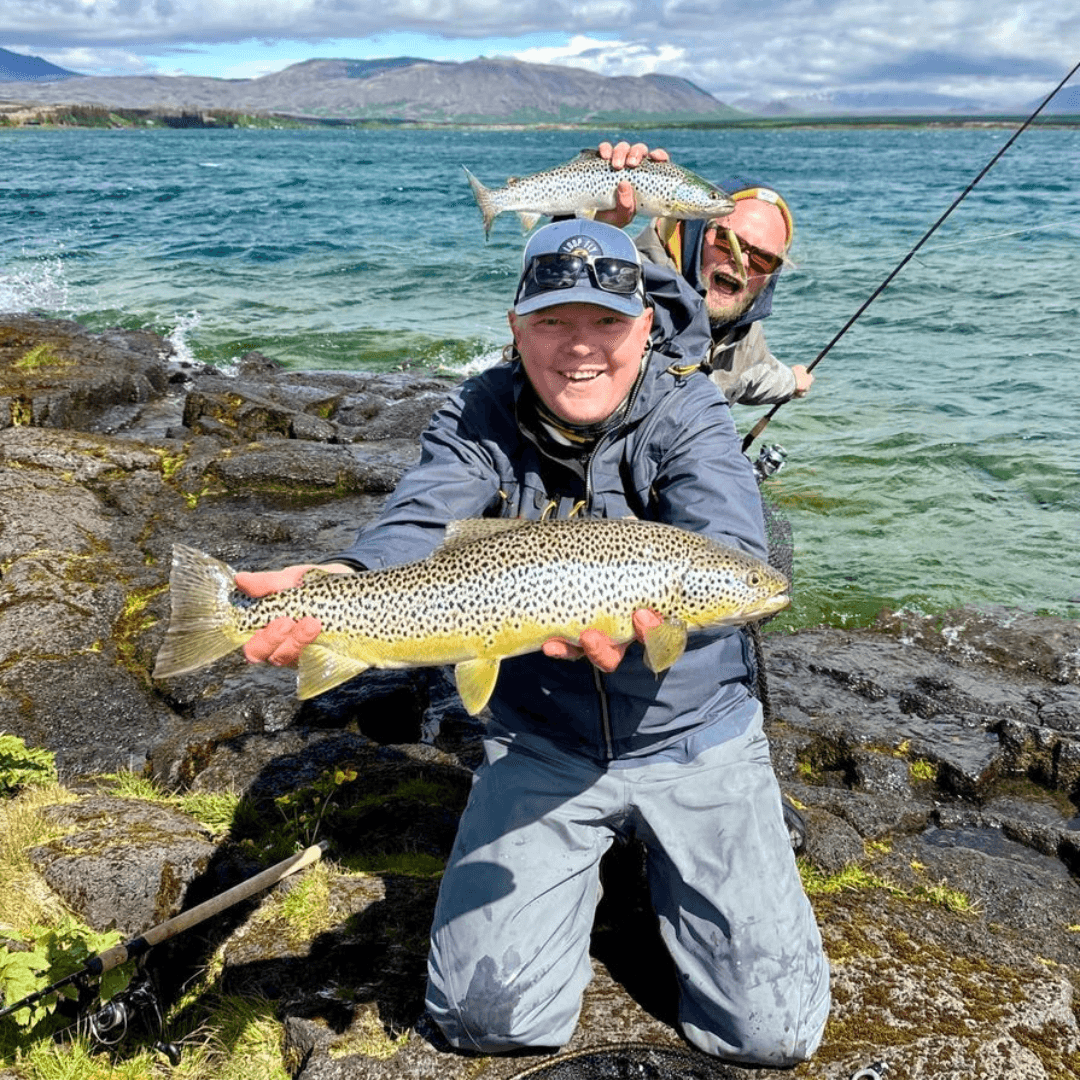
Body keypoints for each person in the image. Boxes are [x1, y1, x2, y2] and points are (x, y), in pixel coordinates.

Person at [236, 219, 830, 1064]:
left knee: (774, 1036)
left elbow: (733, 546)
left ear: (646, 327)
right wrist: (346, 574)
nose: (579, 348)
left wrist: (703, 602)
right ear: (517, 328)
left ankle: (649, 855)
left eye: (605, 324)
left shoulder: (689, 405)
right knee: (486, 1021)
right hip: (543, 743)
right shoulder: (479, 409)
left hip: (694, 738)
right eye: (553, 322)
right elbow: (420, 516)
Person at [597, 141, 813, 408]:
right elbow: (562, 302)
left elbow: (757, 375)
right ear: (692, 233)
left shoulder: (743, 334)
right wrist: (588, 229)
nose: (742, 262)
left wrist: (794, 382)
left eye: (763, 259)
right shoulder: (629, 286)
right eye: (727, 240)